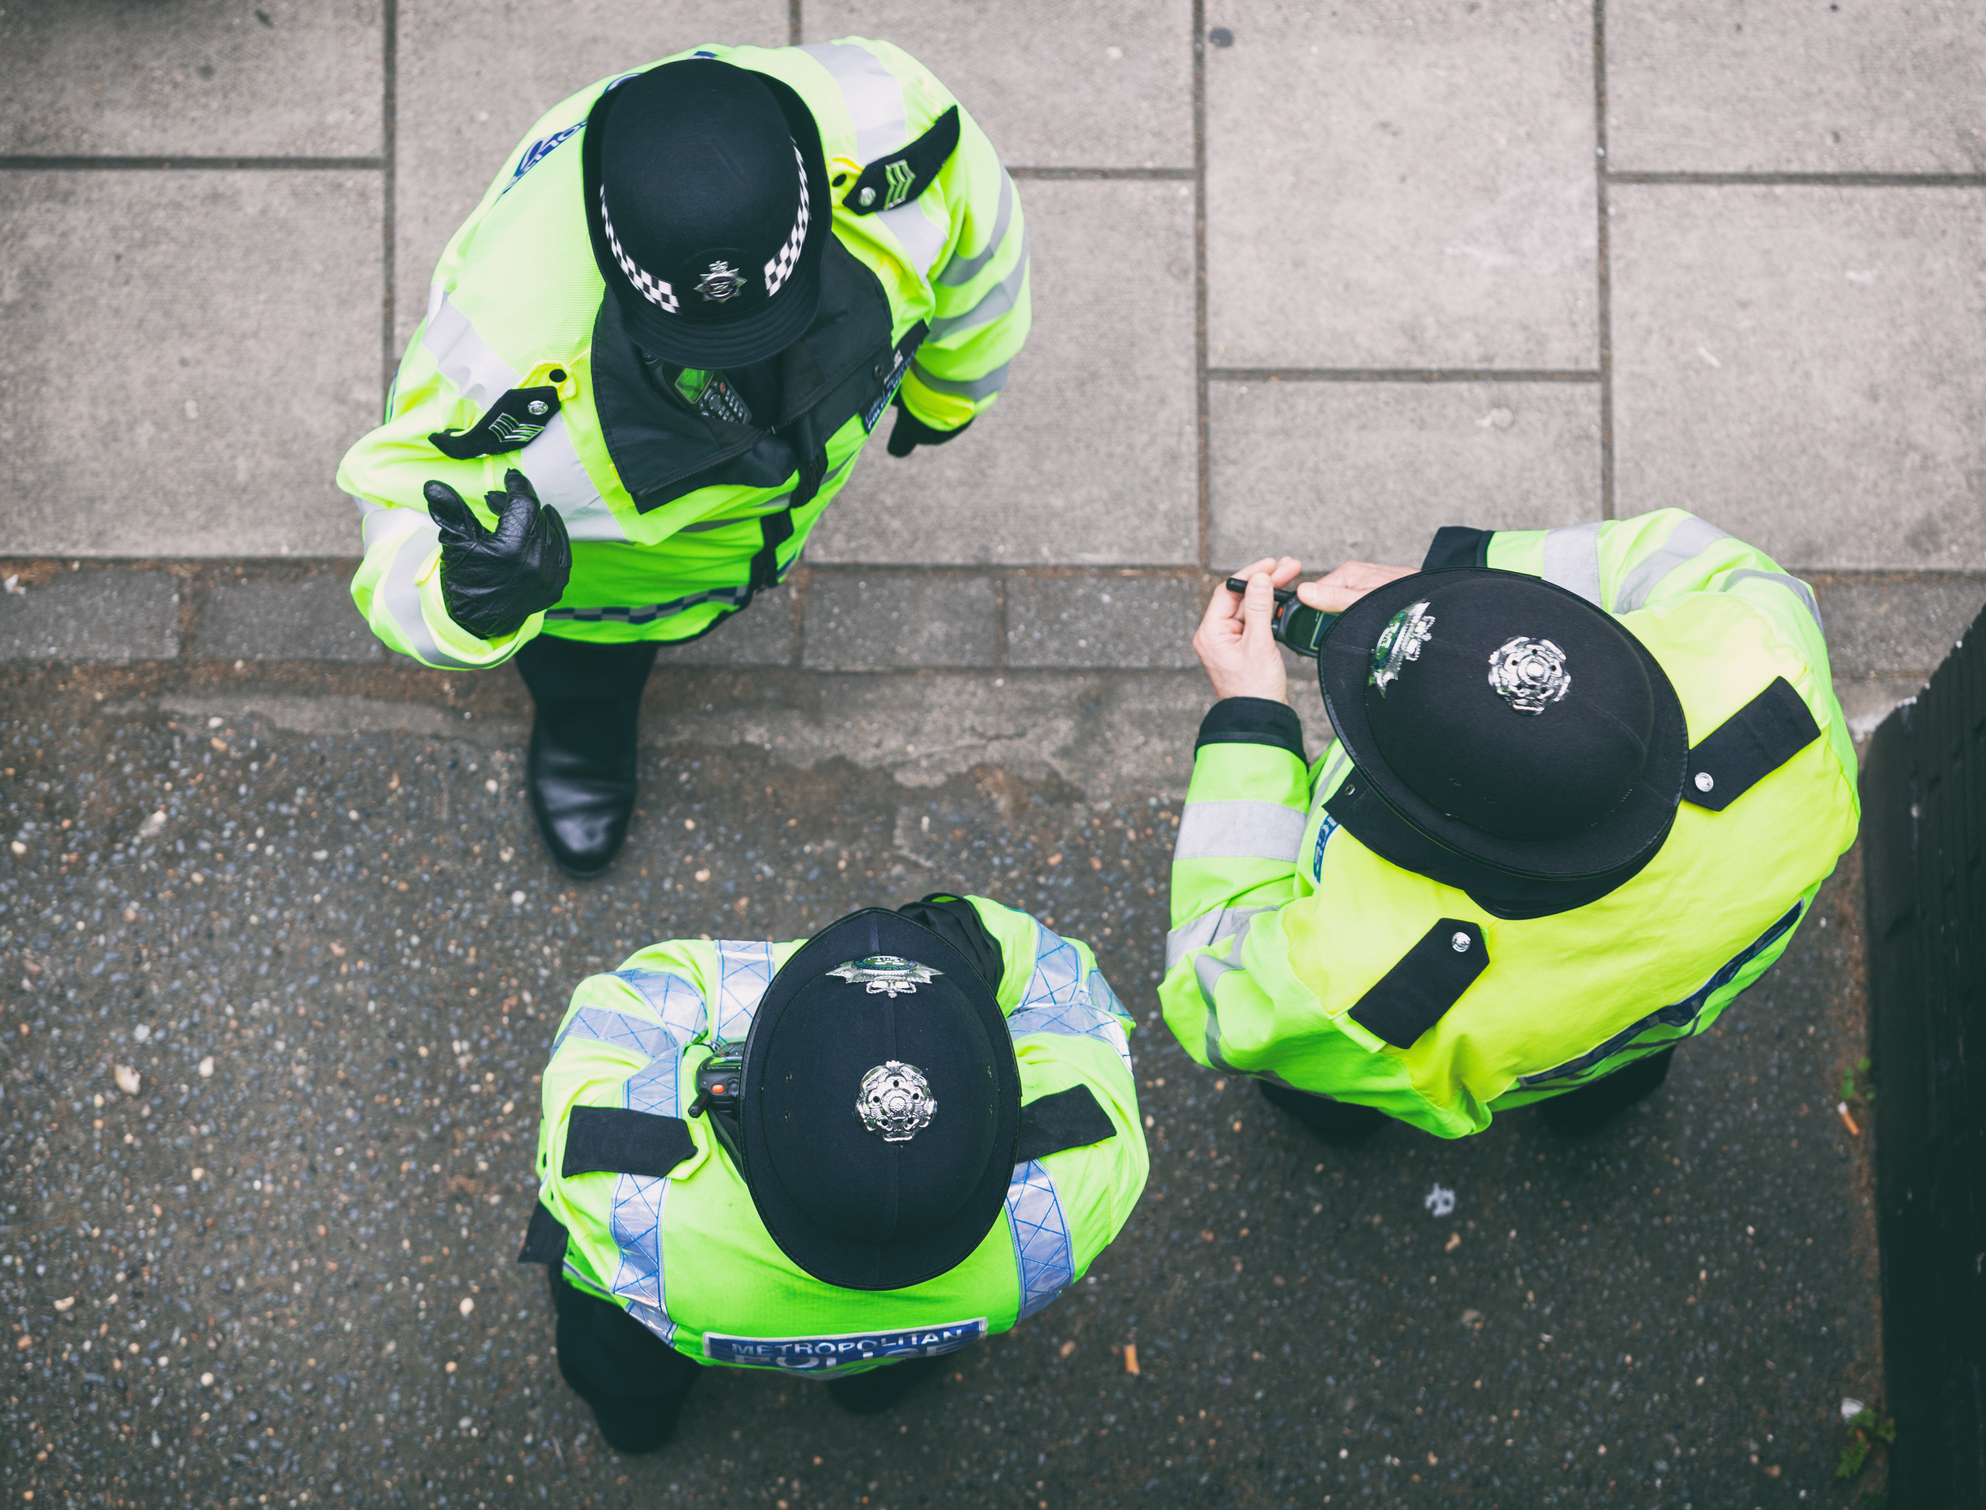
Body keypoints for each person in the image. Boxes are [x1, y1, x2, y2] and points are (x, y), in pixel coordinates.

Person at [337, 43, 1029, 875]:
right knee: (586, 672)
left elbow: (984, 248)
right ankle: (585, 735)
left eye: (772, 323)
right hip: (604, 597)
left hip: (725, 541)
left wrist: (954, 385)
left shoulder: (895, 127)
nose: (742, 364)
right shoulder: (495, 364)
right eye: (700, 343)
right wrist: (464, 599)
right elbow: (396, 511)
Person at [1160, 509, 1859, 1140]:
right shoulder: (1770, 669)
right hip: (1671, 992)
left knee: (1324, 1083)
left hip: (1396, 1043)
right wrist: (1471, 591)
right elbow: (1689, 555)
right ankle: (1590, 1119)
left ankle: (1342, 1131)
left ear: (1440, 816)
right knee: (1617, 1066)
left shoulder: (1366, 984)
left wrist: (1249, 716)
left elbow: (1215, 994)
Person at [519, 894, 1145, 1450]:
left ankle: (636, 1426)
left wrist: (824, 999)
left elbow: (633, 1006)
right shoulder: (1069, 1192)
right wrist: (944, 961)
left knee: (617, 1357)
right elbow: (1063, 989)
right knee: (888, 1363)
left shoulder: (631, 1192)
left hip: (657, 1317)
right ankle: (869, 1392)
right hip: (913, 1333)